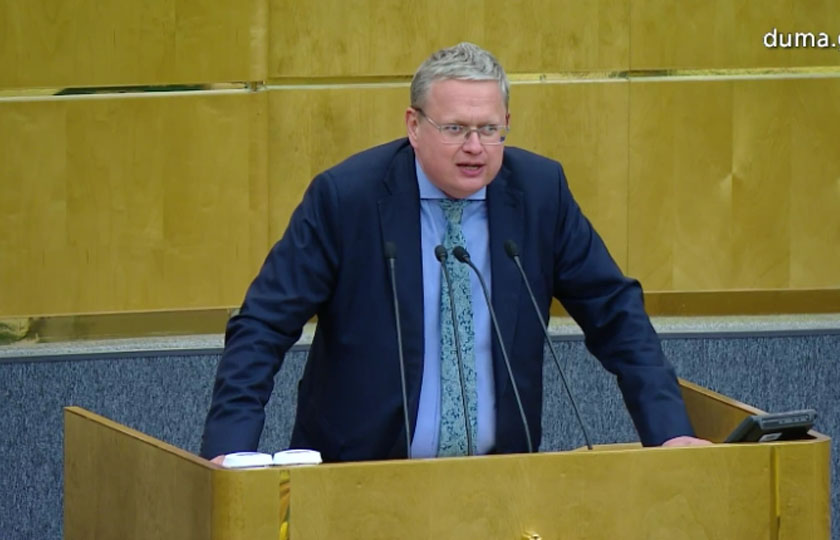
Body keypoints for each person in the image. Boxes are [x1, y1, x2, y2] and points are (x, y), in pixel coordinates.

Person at [200, 42, 707, 463]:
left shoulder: (539, 193)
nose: (475, 147)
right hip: (359, 480)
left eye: (489, 129)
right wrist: (230, 449)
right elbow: (263, 325)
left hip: (499, 483)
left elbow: (615, 313)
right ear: (414, 126)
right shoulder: (347, 198)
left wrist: (669, 433)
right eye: (455, 129)